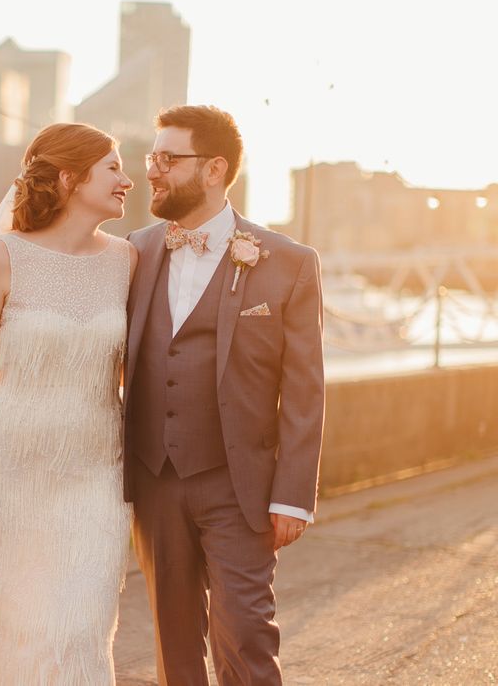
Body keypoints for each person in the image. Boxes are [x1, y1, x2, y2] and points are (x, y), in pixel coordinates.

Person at [0, 122, 137, 684]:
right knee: (7, 635)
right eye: (113, 167)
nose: (127, 180)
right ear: (69, 177)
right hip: (7, 476)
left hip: (95, 477)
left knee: (79, 630)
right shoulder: (2, 257)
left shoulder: (127, 261)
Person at [124, 105, 324, 685]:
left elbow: (305, 388)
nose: (153, 171)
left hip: (242, 487)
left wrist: (293, 495)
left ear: (214, 169)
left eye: (168, 158)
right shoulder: (133, 252)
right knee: (173, 643)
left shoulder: (288, 263)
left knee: (246, 635)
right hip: (154, 478)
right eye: (150, 157)